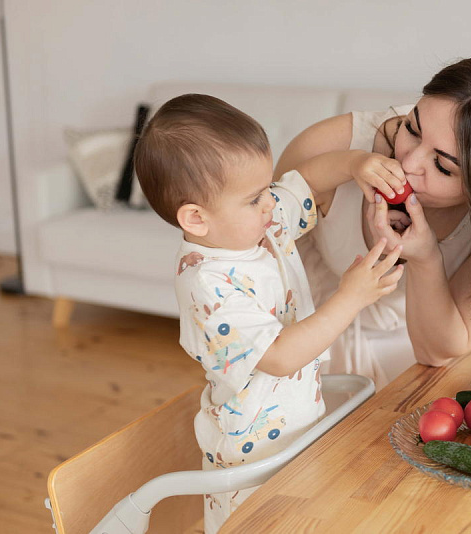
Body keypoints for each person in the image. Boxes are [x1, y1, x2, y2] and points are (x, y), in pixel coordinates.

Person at [134, 94, 403, 533]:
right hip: (250, 452)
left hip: (300, 428)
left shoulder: (259, 226)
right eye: (255, 197)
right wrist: (351, 297)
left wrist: (356, 162)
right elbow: (278, 355)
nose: (270, 202)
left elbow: (307, 181)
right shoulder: (207, 283)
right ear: (196, 219)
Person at [275, 54, 471, 390]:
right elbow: (251, 249)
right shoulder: (330, 147)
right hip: (301, 341)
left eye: (442, 166)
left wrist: (425, 256)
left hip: (416, 363)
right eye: (411, 128)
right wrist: (347, 164)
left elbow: (437, 351)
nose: (408, 163)